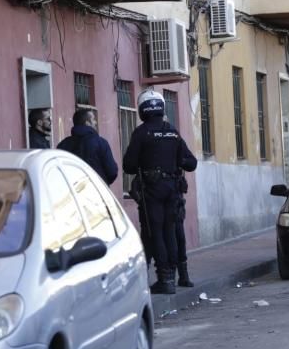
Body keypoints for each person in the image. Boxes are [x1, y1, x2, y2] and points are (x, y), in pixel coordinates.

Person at [123, 89, 197, 295]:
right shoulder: (172, 131)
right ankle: (172, 276)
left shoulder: (141, 132)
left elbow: (128, 165)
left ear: (142, 109)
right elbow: (192, 163)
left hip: (152, 191)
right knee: (171, 232)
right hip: (173, 190)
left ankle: (164, 279)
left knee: (155, 233)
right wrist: (174, 162)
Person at [57, 108, 119, 184]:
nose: (96, 122)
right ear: (87, 123)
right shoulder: (100, 142)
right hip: (97, 189)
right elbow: (112, 172)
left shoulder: (63, 145)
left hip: (72, 191)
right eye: (93, 120)